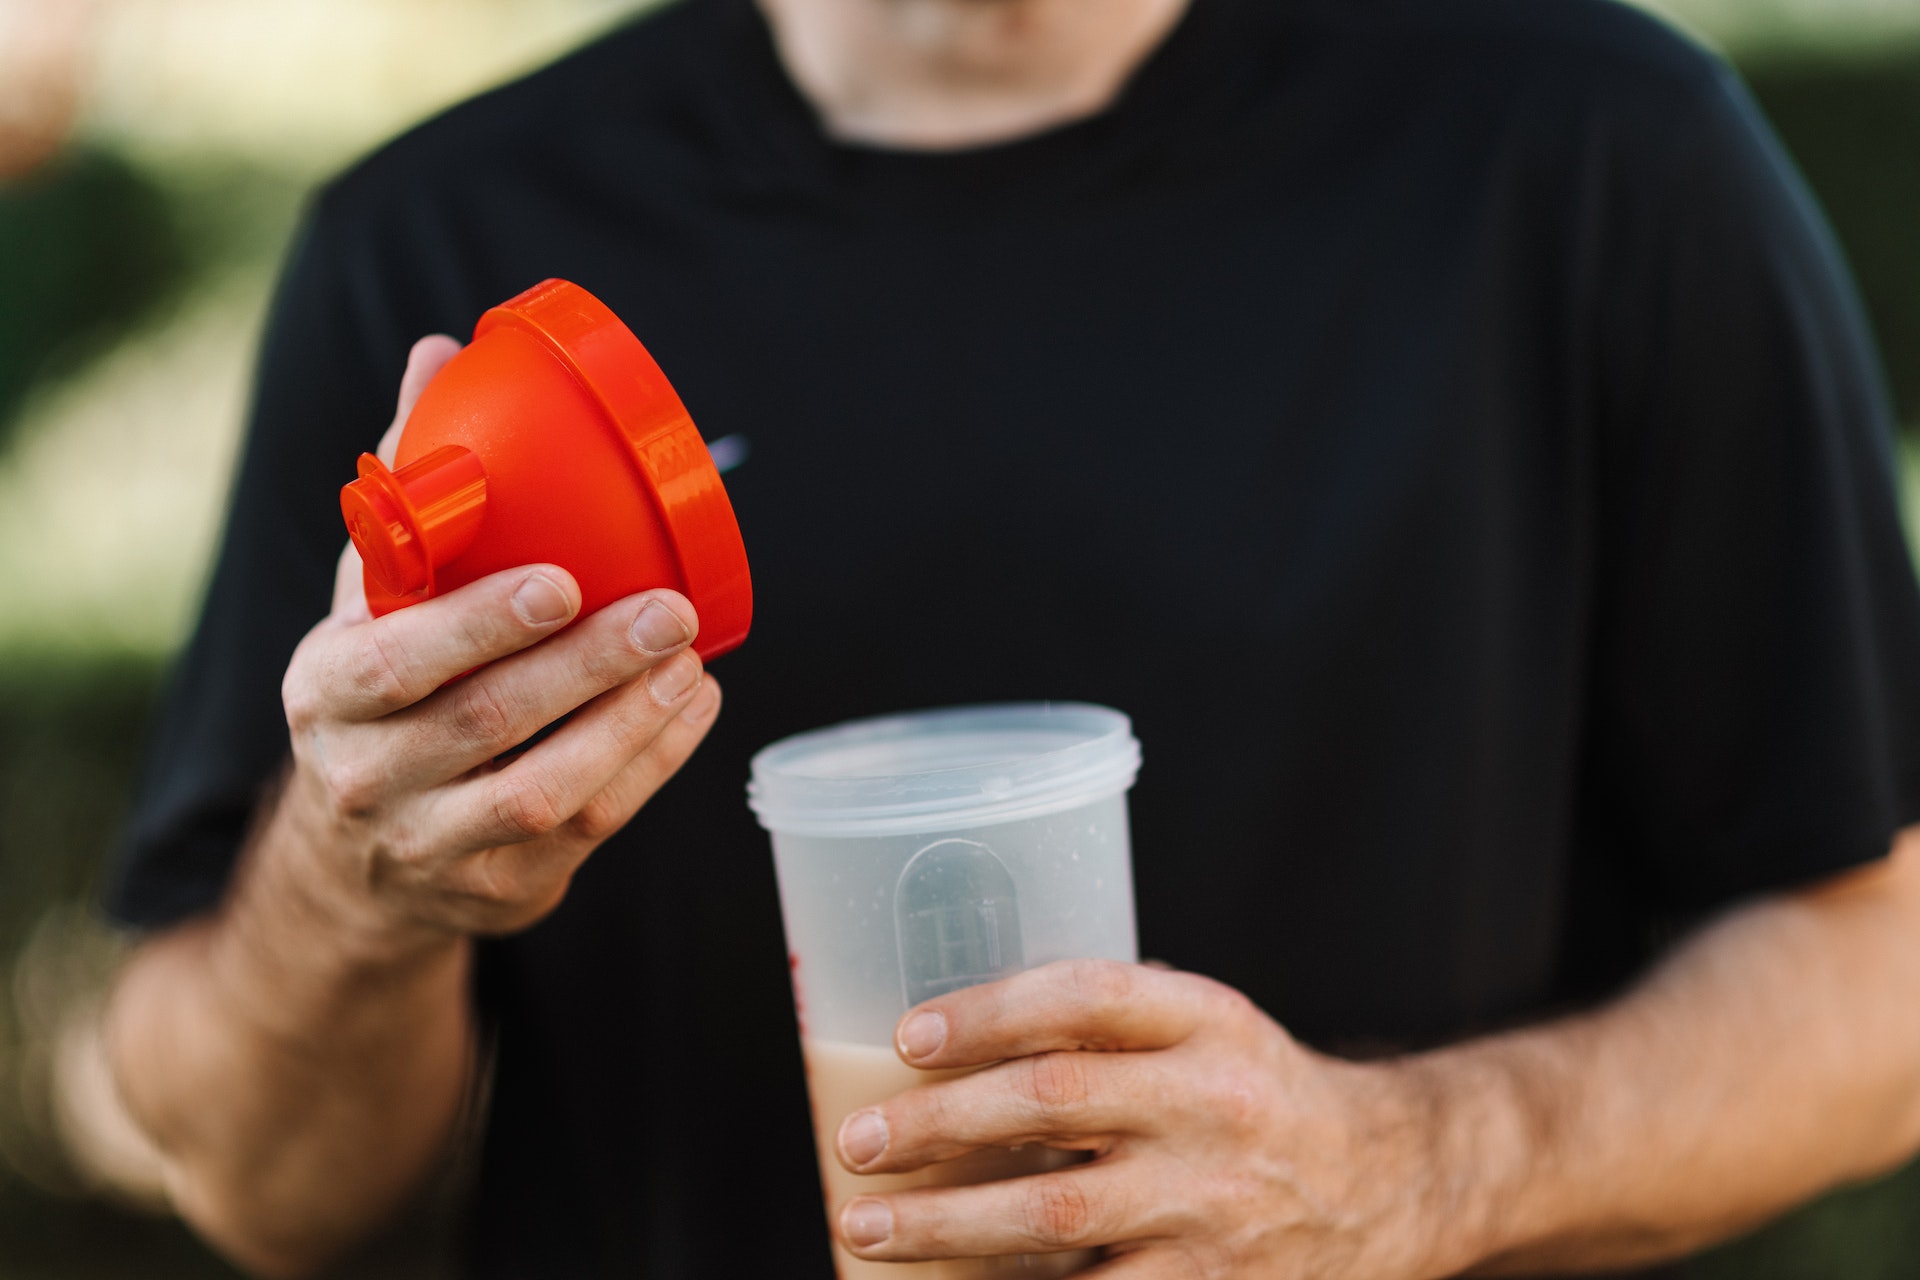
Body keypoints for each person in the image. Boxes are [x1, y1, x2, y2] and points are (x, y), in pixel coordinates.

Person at [100, 0, 1920, 1276]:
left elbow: (1877, 982)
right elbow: (265, 1191)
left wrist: (1411, 1171)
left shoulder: (1598, 153)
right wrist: (363, 893)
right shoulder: (443, 248)